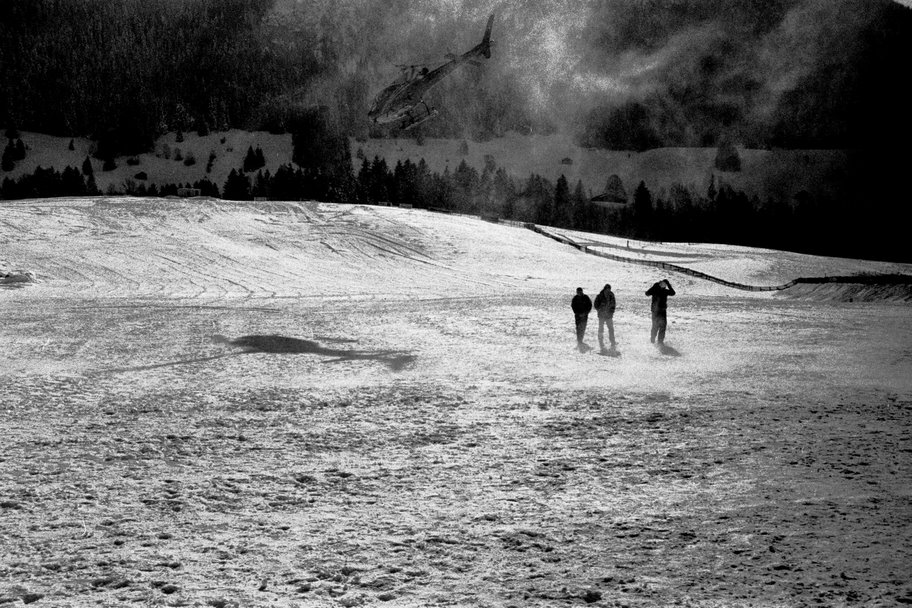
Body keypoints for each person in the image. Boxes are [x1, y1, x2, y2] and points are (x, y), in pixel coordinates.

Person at [646, 279, 676, 345]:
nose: (664, 285)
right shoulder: (655, 290)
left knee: (663, 326)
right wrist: (655, 286)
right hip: (655, 311)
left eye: (665, 284)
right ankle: (653, 340)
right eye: (662, 284)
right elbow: (647, 293)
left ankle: (660, 341)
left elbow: (673, 293)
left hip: (662, 311)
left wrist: (668, 284)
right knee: (655, 326)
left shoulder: (665, 291)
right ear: (659, 284)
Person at [593, 283, 617, 351]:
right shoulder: (600, 296)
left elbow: (613, 305)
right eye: (607, 290)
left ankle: (612, 342)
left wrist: (611, 312)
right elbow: (595, 304)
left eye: (609, 290)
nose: (608, 292)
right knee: (601, 329)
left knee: (611, 329)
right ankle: (601, 342)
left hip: (609, 316)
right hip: (601, 316)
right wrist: (600, 310)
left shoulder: (611, 296)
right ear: (604, 289)